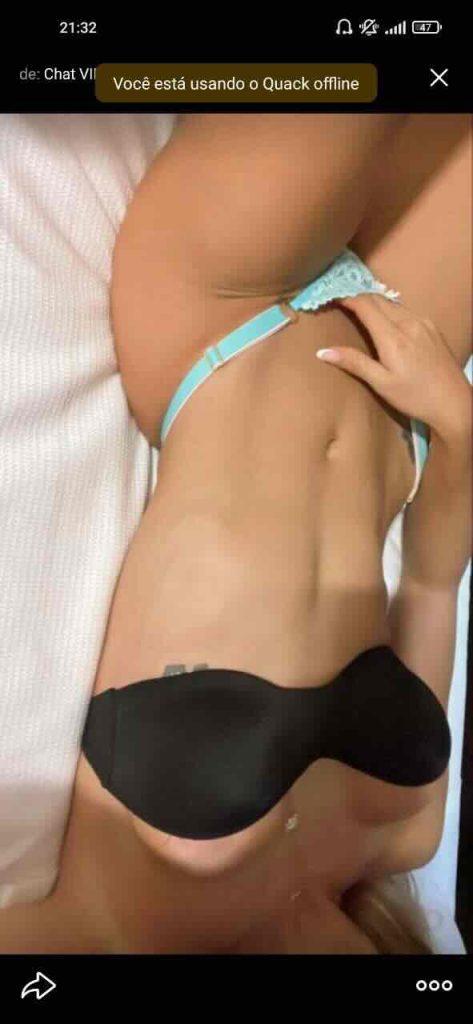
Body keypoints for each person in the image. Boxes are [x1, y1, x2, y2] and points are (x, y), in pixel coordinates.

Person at [0, 114, 470, 954]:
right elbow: (434, 576)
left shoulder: (106, 933)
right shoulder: (407, 837)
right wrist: (458, 426)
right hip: (401, 369)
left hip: (222, 327)